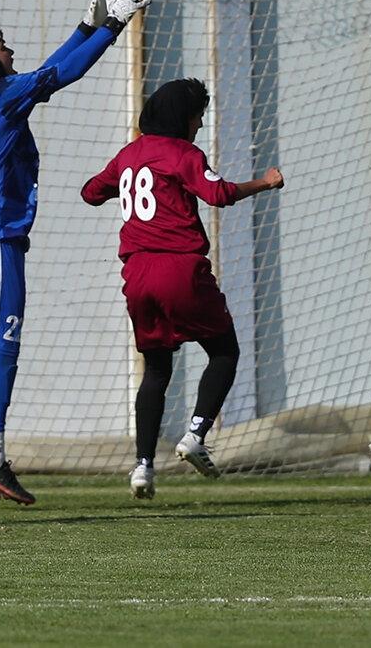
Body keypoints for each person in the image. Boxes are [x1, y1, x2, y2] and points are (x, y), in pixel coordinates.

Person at [0, 0, 150, 505]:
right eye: (2, 44)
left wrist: (87, 24)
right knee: (2, 352)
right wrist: (115, 24)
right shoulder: (0, 97)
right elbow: (65, 73)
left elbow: (46, 74)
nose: (11, 50)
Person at [81, 78, 283, 500]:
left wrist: (122, 185)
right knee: (225, 351)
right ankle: (195, 435)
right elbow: (218, 193)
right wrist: (264, 183)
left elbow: (89, 192)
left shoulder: (129, 154)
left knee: (156, 370)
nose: (199, 125)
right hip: (180, 269)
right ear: (182, 117)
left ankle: (142, 467)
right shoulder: (184, 154)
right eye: (198, 117)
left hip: (137, 275)